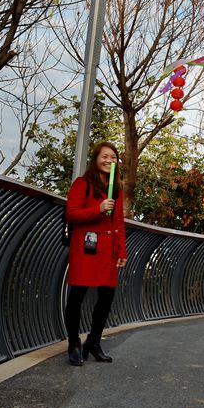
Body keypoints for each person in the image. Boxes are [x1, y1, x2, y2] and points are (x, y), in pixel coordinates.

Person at [63, 142, 127, 366]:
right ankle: (73, 344)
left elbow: (118, 221)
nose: (109, 160)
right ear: (96, 159)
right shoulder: (83, 184)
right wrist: (97, 209)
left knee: (106, 297)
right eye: (105, 156)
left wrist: (121, 250)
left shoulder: (116, 189)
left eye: (113, 157)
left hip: (108, 252)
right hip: (86, 249)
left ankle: (93, 342)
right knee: (77, 296)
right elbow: (72, 213)